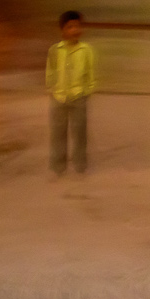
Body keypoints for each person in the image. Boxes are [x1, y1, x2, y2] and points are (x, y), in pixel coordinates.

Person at [46, 10, 96, 177]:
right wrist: (52, 90)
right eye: (70, 27)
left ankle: (80, 166)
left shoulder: (86, 50)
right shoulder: (55, 50)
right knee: (58, 134)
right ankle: (58, 168)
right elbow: (50, 72)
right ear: (63, 30)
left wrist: (87, 91)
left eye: (78, 26)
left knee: (80, 133)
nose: (75, 30)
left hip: (79, 96)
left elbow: (91, 73)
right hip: (58, 97)